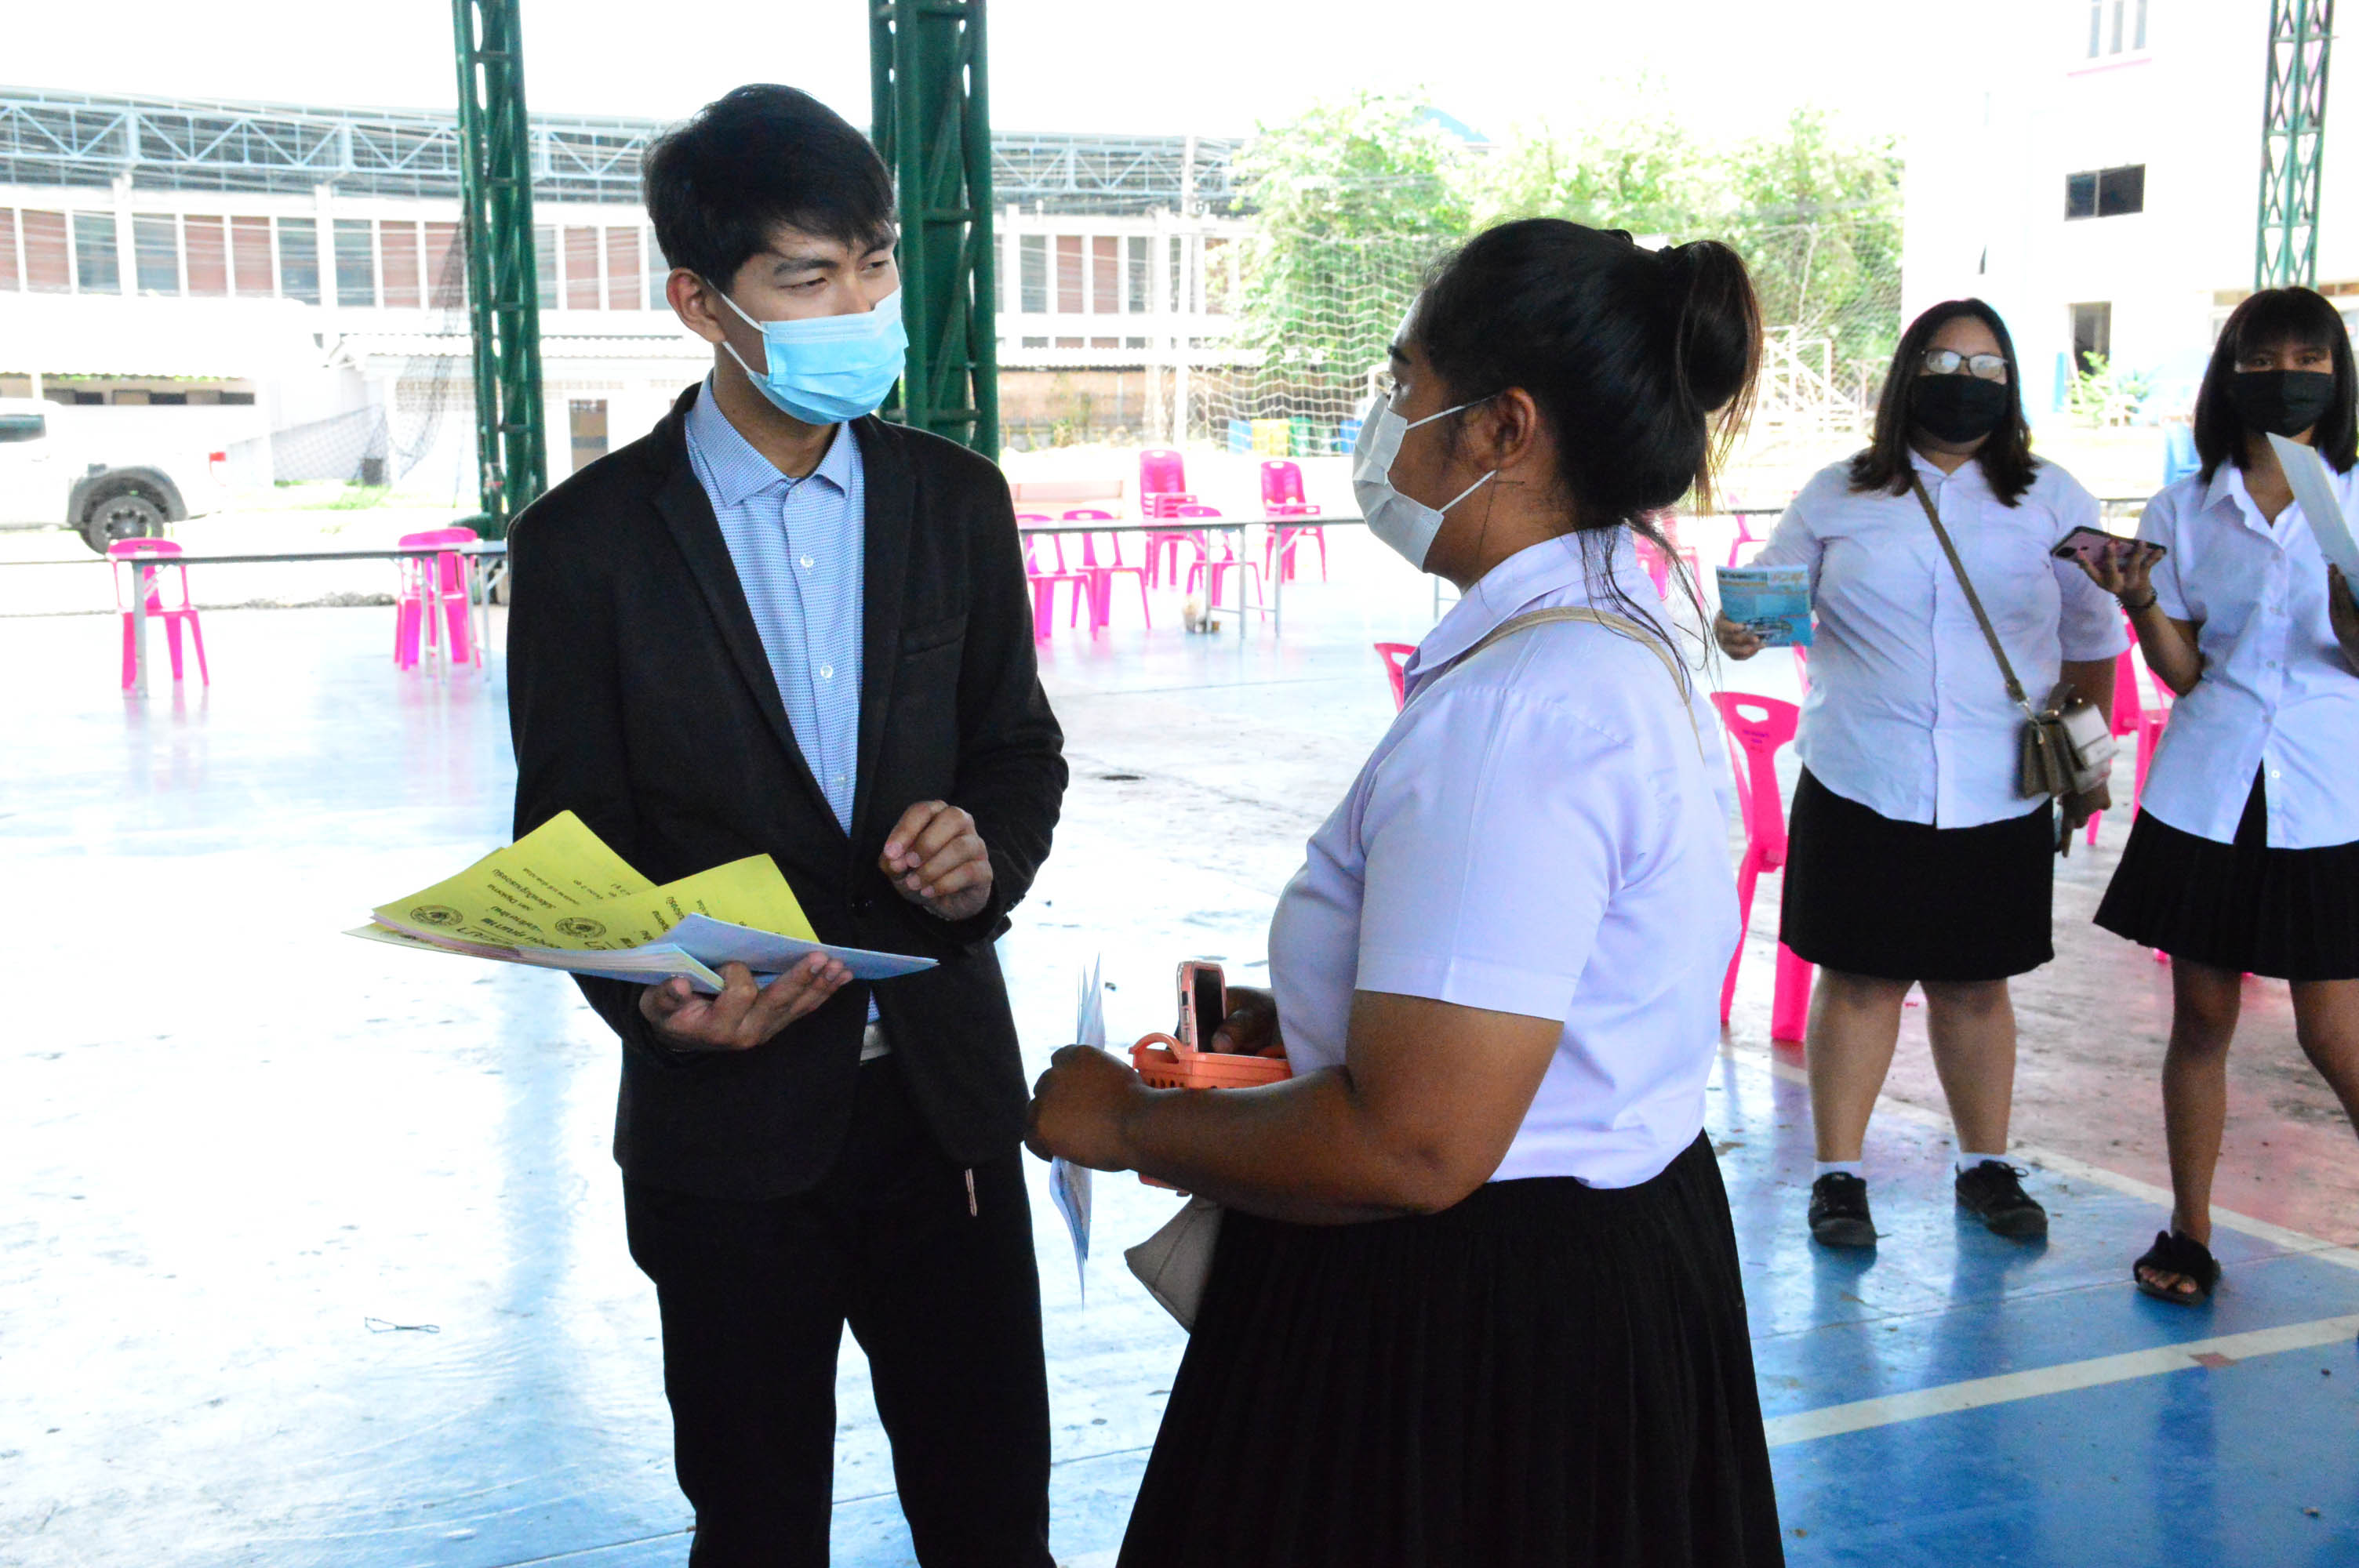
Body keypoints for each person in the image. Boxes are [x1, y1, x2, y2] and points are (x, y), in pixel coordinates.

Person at [1030, 219, 1785, 1566]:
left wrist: (1129, 1121)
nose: (1381, 423)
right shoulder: (1611, 636)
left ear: (1503, 428)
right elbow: (1545, 1000)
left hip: (1470, 1326)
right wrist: (1309, 1025)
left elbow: (1417, 1145)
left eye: (1402, 382)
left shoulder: (1524, 710)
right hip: (1588, 1265)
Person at [504, 85, 1067, 1566]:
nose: (858, 308)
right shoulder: (586, 545)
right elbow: (571, 842)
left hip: (942, 1110)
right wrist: (660, 1007)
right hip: (728, 1133)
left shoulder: (955, 501)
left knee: (993, 1520)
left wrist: (983, 855)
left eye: (874, 266)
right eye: (808, 278)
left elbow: (1016, 748)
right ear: (702, 301)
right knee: (756, 1526)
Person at [1716, 299, 2126, 1249]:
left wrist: (2084, 764)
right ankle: (1837, 1176)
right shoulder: (1835, 494)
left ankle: (1985, 1164)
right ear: (1907, 375)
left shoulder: (2052, 497)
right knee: (1858, 980)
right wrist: (1739, 630)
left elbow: (2091, 636)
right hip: (1862, 775)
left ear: (2008, 385)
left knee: (1975, 985)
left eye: (1985, 368)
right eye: (1944, 362)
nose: (1963, 383)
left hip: (1999, 784)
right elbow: (1766, 603)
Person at [2074, 285, 2359, 1305]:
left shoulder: (2354, 497)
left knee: (2335, 1032)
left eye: (2308, 358)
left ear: (2337, 374)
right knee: (2200, 1017)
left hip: (2328, 796)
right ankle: (2189, 1230)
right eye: (2262, 357)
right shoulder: (2184, 507)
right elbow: (2185, 672)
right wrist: (2140, 600)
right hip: (2208, 789)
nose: (2286, 375)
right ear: (2230, 375)